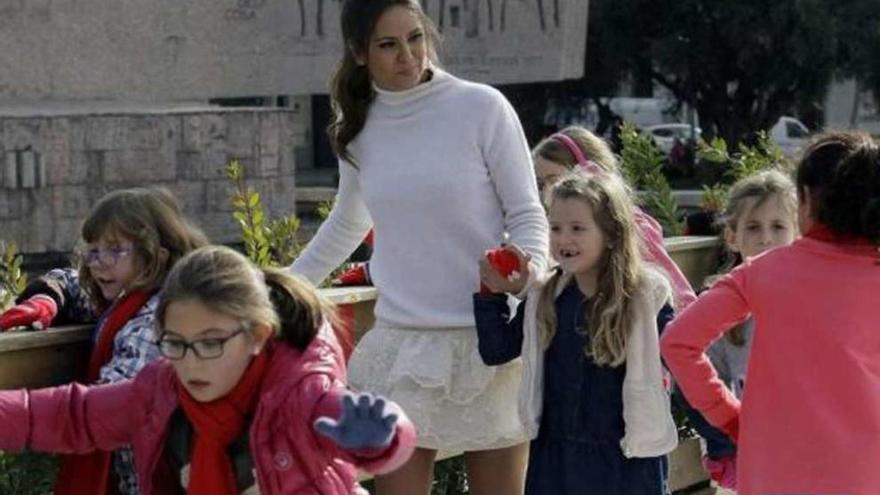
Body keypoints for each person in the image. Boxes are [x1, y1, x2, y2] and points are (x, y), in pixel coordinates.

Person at [289, 1, 549, 493]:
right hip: (402, 347)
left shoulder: (482, 106)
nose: (408, 55)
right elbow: (348, 223)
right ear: (359, 52)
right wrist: (282, 288)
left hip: (491, 344)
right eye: (388, 44)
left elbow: (527, 213)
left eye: (415, 37)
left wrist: (526, 268)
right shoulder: (356, 126)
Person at [0, 246, 416, 494]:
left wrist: (381, 437)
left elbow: (389, 438)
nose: (191, 361)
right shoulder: (160, 389)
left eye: (211, 343)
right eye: (175, 344)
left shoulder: (301, 393)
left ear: (257, 334)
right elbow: (74, 414)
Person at [661, 132, 880, 494]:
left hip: (773, 470)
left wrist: (730, 417)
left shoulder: (763, 272)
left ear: (805, 200)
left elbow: (677, 342)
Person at [475, 173, 678, 494]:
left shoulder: (645, 297)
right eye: (555, 228)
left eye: (577, 228)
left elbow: (683, 359)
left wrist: (721, 434)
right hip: (556, 463)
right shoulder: (544, 296)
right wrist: (491, 294)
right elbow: (496, 350)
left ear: (611, 233)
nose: (563, 238)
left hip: (625, 461)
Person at [0, 187, 209, 495]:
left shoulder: (154, 323)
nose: (97, 263)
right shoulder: (133, 296)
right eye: (93, 250)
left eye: (114, 250)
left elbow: (99, 412)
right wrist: (47, 298)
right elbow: (72, 281)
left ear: (155, 255)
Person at [674, 169, 798, 489]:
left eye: (778, 227)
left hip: (807, 457)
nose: (766, 238)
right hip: (747, 460)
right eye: (753, 228)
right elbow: (694, 376)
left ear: (798, 234)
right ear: (732, 236)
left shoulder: (809, 300)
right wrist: (726, 436)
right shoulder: (718, 308)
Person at [531, 125, 696, 309]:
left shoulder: (634, 226)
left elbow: (678, 295)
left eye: (554, 181)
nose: (547, 192)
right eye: (540, 185)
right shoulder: (553, 230)